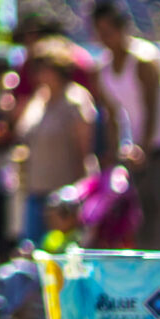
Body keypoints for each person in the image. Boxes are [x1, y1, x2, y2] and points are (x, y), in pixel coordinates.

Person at [90, 0, 160, 249]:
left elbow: (151, 109)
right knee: (140, 227)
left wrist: (143, 147)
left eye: (108, 31)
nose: (104, 38)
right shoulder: (103, 69)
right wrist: (114, 156)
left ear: (122, 27)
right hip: (138, 157)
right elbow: (113, 117)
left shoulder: (145, 59)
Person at [11, 38, 101, 243]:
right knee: (34, 254)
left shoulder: (75, 101)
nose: (39, 75)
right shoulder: (37, 101)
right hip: (34, 193)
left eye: (45, 68)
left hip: (63, 196)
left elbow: (85, 151)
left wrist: (80, 194)